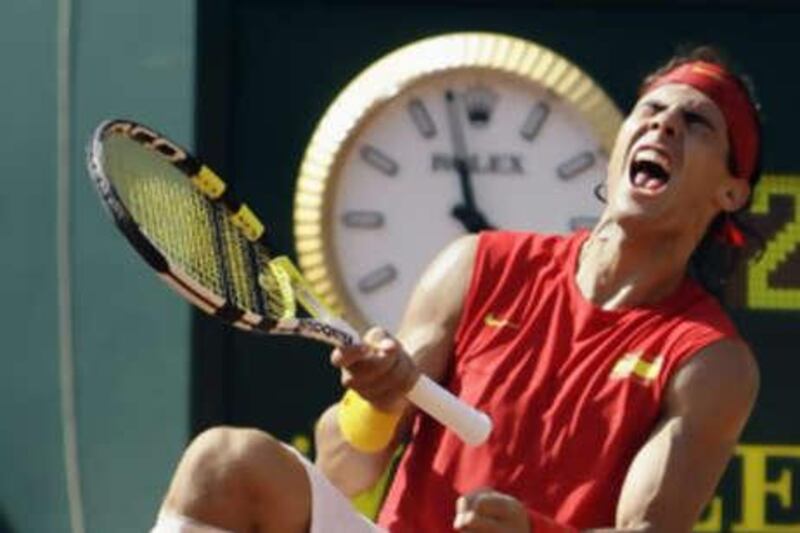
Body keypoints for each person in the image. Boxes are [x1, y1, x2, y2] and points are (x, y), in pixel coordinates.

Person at [151, 46, 761, 533]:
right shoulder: (476, 264)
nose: (664, 124)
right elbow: (345, 464)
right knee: (226, 463)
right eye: (651, 111)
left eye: (695, 121)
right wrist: (376, 402)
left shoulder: (711, 362)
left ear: (731, 192)